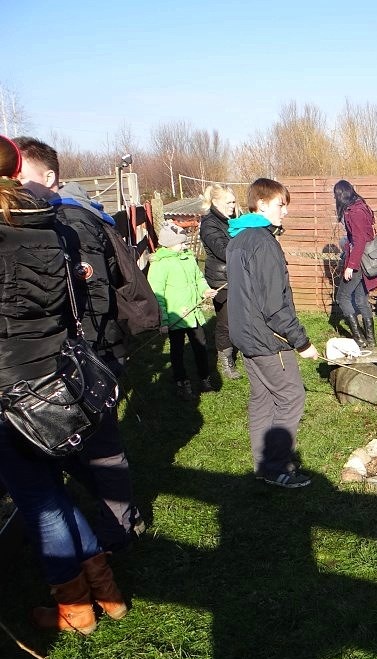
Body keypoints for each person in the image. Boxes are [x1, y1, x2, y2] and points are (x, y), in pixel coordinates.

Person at [0, 135, 128, 633]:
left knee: (38, 501)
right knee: (50, 489)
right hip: (50, 379)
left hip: (8, 388)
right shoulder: (47, 227)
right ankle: (106, 592)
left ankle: (74, 609)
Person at [15, 136, 144, 552]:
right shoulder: (36, 219)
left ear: (48, 176)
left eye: (20, 174)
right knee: (69, 448)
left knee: (100, 451)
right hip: (58, 356)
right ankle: (121, 519)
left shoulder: (69, 219)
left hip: (87, 354)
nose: (12, 182)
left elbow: (95, 294)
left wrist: (70, 351)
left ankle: (117, 533)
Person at [226, 178, 319, 488]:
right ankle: (276, 467)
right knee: (291, 397)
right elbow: (274, 306)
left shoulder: (238, 238)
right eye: (282, 205)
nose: (285, 212)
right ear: (262, 203)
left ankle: (263, 466)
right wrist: (301, 342)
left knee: (263, 398)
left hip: (244, 335)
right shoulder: (263, 243)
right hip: (268, 339)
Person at [148, 221, 216, 401]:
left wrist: (205, 290)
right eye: (181, 243)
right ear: (169, 244)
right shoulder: (160, 264)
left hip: (193, 314)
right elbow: (157, 296)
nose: (185, 245)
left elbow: (198, 278)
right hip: (175, 318)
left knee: (201, 346)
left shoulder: (188, 258)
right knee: (177, 352)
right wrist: (163, 321)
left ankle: (204, 378)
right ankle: (181, 382)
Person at [200, 184, 242, 380]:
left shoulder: (232, 220)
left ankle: (242, 348)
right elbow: (223, 250)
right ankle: (226, 360)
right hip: (221, 279)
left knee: (239, 317)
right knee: (225, 321)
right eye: (229, 202)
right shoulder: (209, 224)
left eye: (234, 201)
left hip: (237, 275)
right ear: (216, 202)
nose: (233, 205)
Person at [333, 180, 377, 348]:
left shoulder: (354, 212)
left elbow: (360, 240)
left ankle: (359, 339)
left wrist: (350, 265)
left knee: (342, 298)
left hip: (359, 261)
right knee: (360, 298)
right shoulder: (361, 206)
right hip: (364, 260)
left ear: (340, 195)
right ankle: (371, 340)